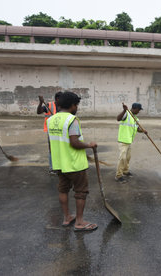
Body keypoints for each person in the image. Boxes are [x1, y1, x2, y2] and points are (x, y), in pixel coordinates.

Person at [47, 91, 98, 232]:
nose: (77, 108)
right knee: (81, 191)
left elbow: (51, 144)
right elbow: (74, 142)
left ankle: (67, 217)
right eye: (77, 105)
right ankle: (80, 222)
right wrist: (89, 145)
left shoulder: (51, 120)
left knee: (63, 189)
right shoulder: (72, 120)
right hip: (74, 164)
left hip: (59, 164)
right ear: (72, 105)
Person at [115, 103, 147, 184]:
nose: (139, 111)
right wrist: (124, 110)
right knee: (122, 158)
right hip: (123, 140)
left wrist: (143, 131)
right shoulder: (126, 114)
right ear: (135, 108)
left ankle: (125, 171)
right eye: (139, 110)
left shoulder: (135, 118)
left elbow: (137, 129)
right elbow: (118, 119)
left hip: (129, 141)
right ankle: (118, 176)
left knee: (128, 157)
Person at [37, 92, 62, 172]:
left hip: (61, 130)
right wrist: (41, 103)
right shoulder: (49, 105)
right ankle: (52, 168)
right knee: (52, 149)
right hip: (52, 131)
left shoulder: (63, 106)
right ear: (57, 99)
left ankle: (60, 166)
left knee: (61, 148)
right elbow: (39, 111)